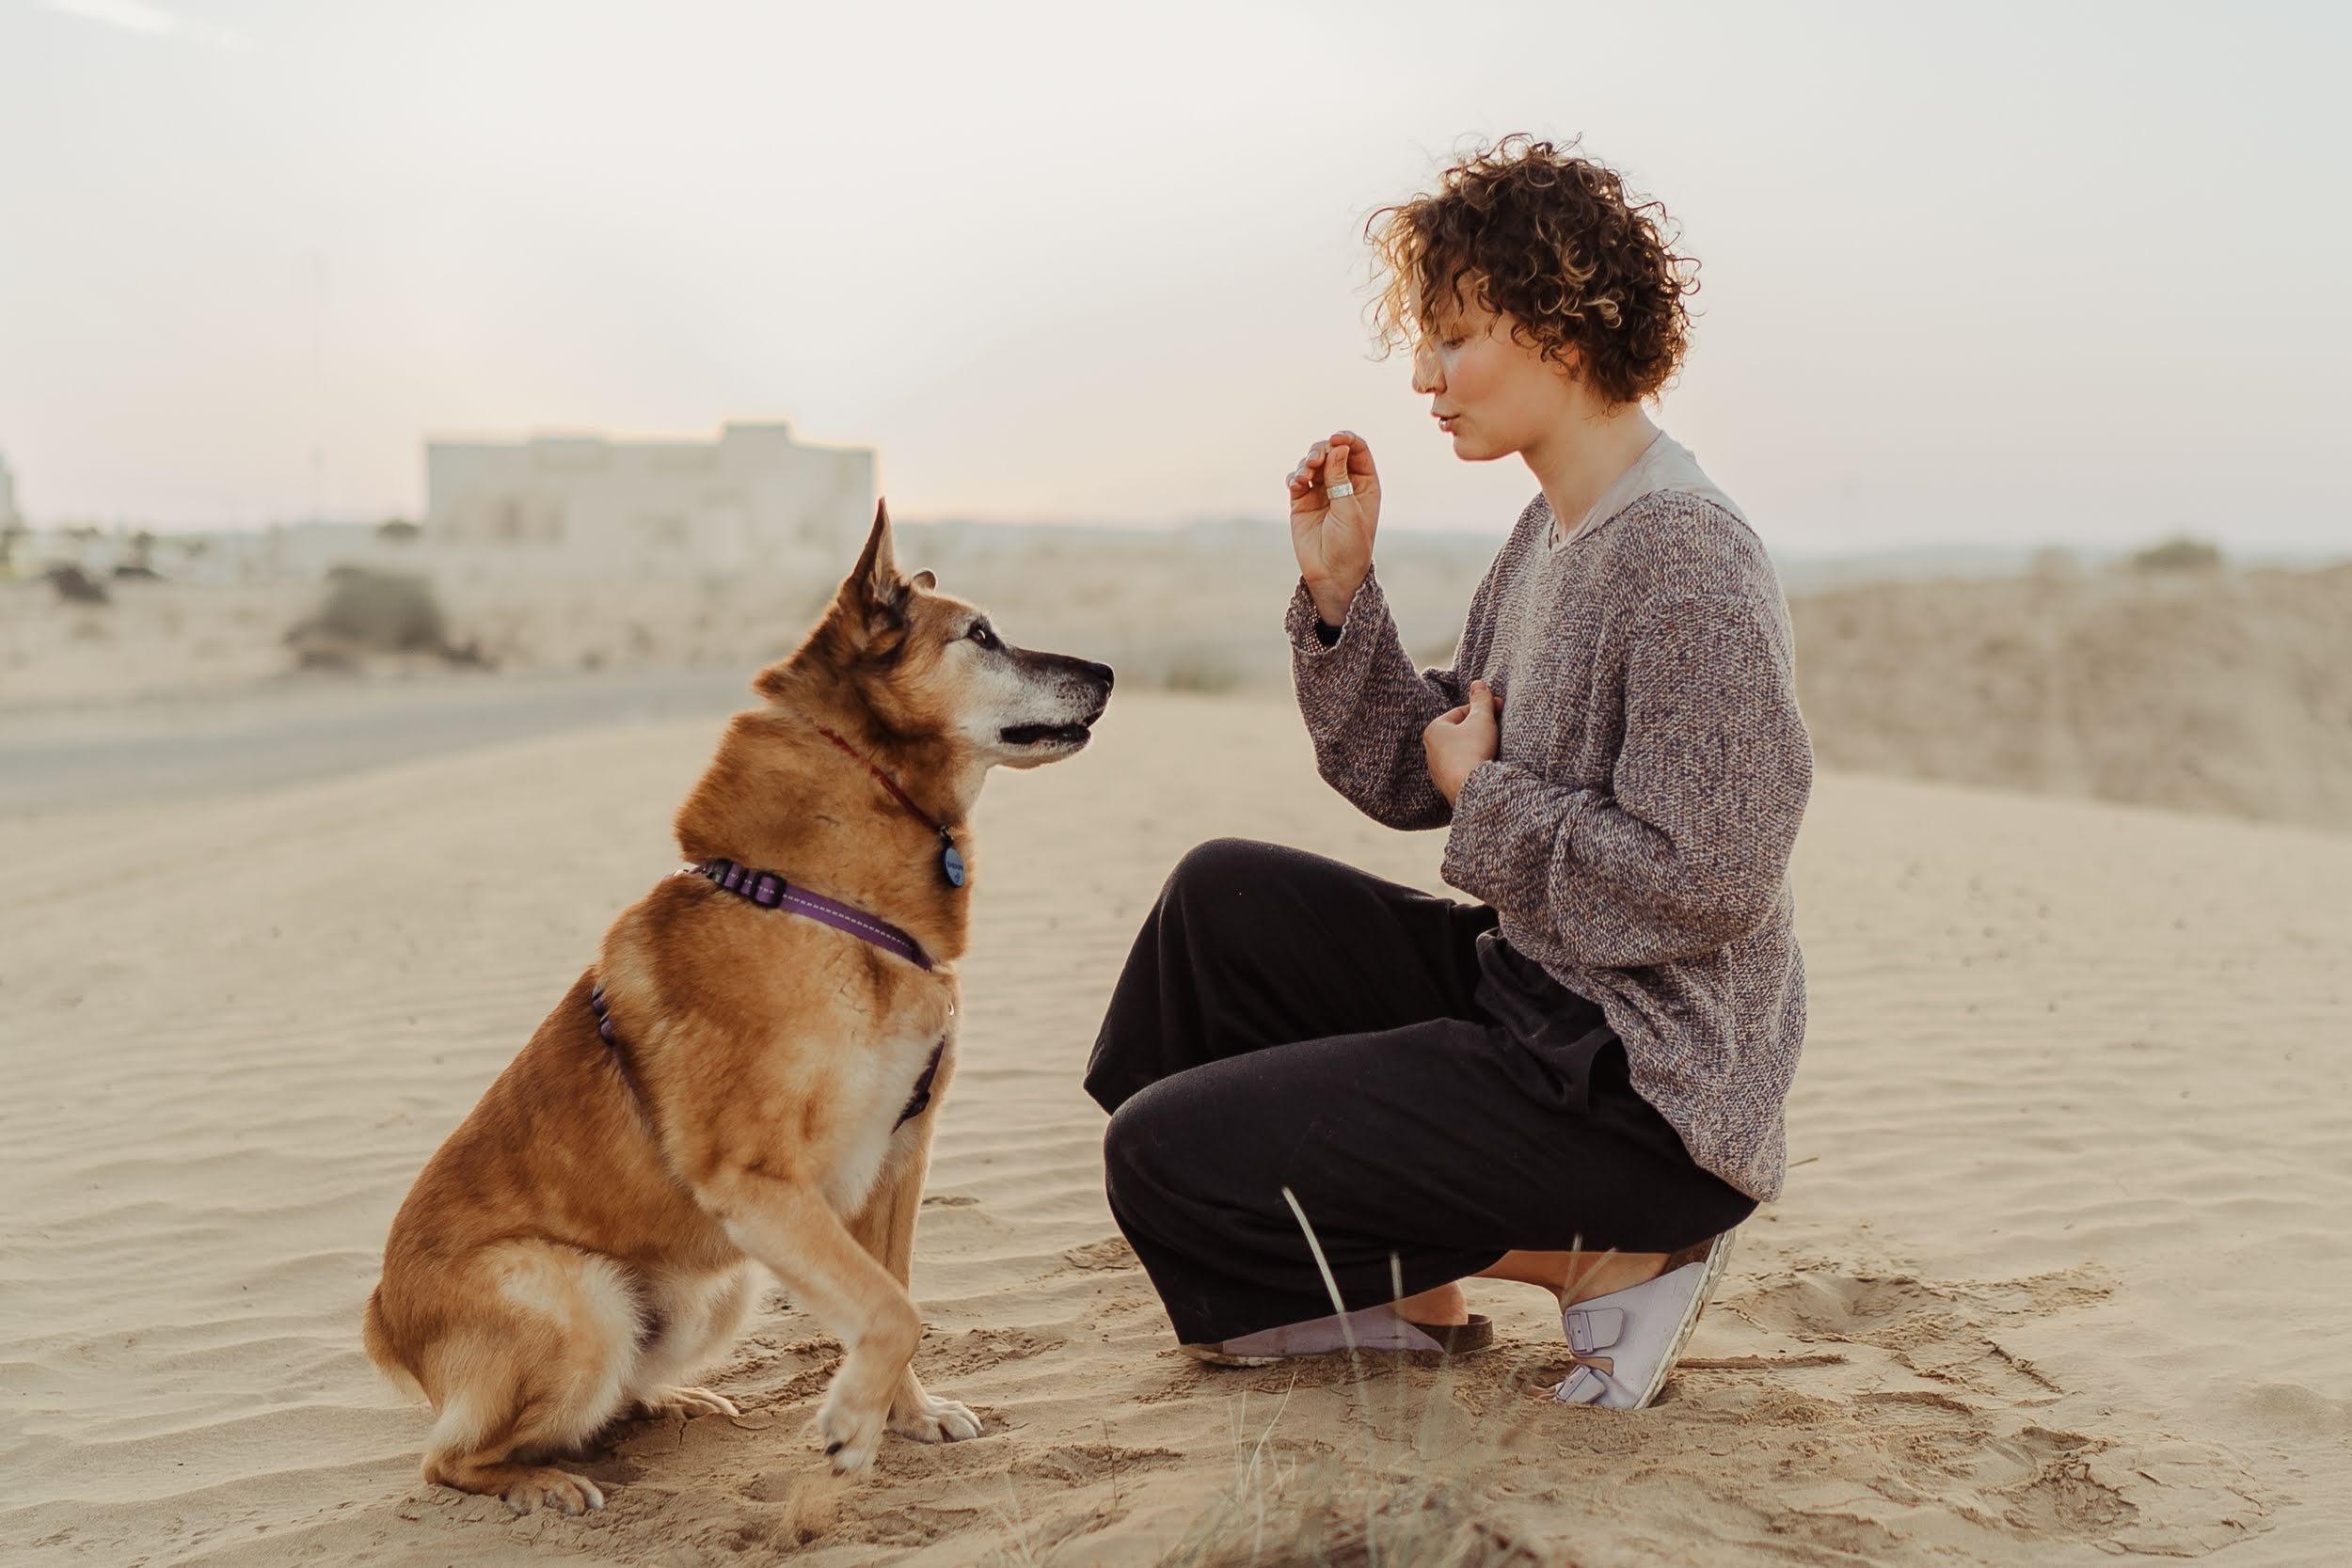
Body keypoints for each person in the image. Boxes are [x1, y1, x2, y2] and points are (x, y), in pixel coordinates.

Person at [1082, 136, 1814, 1409]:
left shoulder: (1688, 562)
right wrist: (1338, 593)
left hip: (1643, 1087)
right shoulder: (1554, 528)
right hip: (1533, 991)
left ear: (1565, 331)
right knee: (1220, 907)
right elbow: (1419, 771)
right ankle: (1397, 1291)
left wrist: (1490, 797)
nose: (1424, 376)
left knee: (1164, 1153)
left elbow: (1713, 883)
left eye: (1457, 338)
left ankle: (1620, 1261)